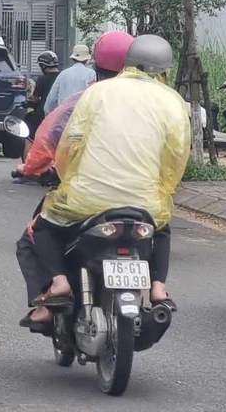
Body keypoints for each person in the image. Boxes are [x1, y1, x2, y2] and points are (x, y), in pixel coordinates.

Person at [28, 35, 189, 322]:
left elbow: (69, 144)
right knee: (162, 228)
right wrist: (163, 190)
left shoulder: (97, 92)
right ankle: (158, 288)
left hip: (86, 200)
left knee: (42, 228)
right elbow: (176, 158)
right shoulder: (174, 102)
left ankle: (59, 282)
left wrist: (67, 179)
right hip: (145, 203)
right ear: (165, 70)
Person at [13, 30, 134, 329]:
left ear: (96, 67)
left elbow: (49, 136)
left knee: (35, 234)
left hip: (85, 196)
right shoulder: (152, 104)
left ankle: (55, 287)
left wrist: (29, 168)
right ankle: (157, 288)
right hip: (139, 196)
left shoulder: (85, 100)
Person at [43, 44, 96, 113]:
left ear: (73, 59)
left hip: (63, 115)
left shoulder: (63, 74)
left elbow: (52, 98)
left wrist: (48, 114)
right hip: (82, 115)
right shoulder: (91, 74)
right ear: (86, 59)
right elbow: (94, 97)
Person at [26, 51, 60, 136]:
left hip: (44, 113)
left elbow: (35, 99)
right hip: (60, 112)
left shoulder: (42, 79)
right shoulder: (62, 76)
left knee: (29, 123)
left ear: (43, 65)